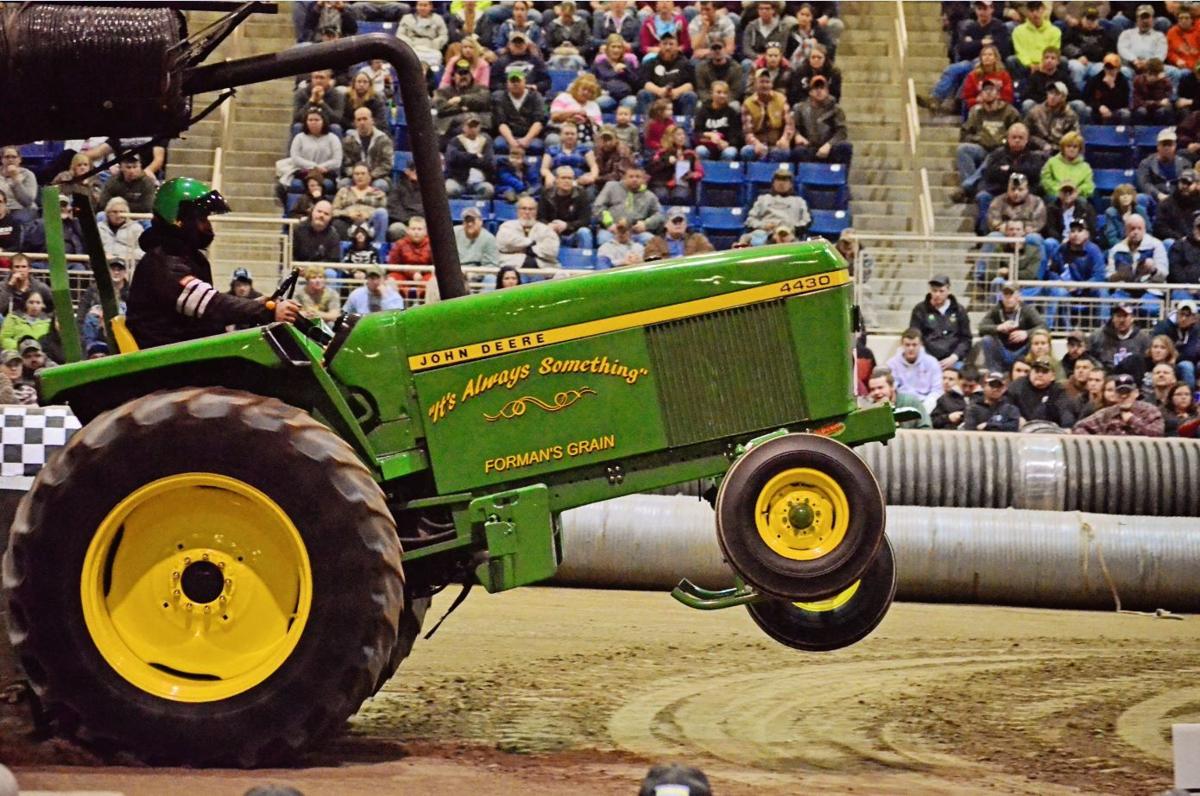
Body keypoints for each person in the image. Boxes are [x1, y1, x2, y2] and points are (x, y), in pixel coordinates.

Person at [126, 178, 298, 348]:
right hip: (168, 362)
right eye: (202, 218)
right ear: (180, 219)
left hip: (184, 352)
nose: (208, 226)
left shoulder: (183, 257)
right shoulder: (163, 264)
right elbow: (210, 304)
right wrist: (265, 311)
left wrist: (258, 304)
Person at [953, 81, 1021, 202]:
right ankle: (972, 189)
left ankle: (967, 187)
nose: (988, 93)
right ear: (981, 94)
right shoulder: (976, 111)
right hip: (982, 148)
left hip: (1002, 151)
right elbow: (965, 133)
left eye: (992, 90)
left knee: (994, 155)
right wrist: (978, 138)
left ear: (998, 94)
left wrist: (1005, 142)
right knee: (962, 149)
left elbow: (1018, 132)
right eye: (985, 90)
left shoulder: (1010, 111)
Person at [1107, 214, 1167, 316]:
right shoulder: (1117, 249)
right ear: (1126, 231)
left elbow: (1164, 274)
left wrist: (1153, 270)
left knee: (1148, 309)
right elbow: (1109, 277)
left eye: (1139, 228)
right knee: (1118, 306)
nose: (1135, 232)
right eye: (1132, 229)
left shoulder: (1156, 245)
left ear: (1144, 229)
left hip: (1150, 289)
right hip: (1124, 290)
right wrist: (1118, 275)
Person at [908, 275, 972, 369]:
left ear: (948, 291)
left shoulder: (959, 310)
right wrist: (926, 358)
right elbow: (914, 336)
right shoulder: (920, 309)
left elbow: (966, 339)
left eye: (941, 291)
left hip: (953, 360)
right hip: (927, 359)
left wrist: (954, 357)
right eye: (934, 290)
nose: (937, 294)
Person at [979, 282, 1047, 369]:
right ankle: (994, 372)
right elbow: (981, 327)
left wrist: (1026, 333)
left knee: (1035, 339)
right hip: (1002, 349)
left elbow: (1044, 326)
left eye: (1011, 294)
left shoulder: (1027, 310)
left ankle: (1031, 369)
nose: (1008, 298)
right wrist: (998, 327)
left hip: (1022, 351)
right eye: (1005, 295)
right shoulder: (996, 310)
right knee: (987, 339)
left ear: (1018, 295)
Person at [1072, 372, 1165, 435]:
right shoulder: (1107, 413)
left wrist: (1132, 420)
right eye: (1120, 392)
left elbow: (1157, 433)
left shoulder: (1149, 410)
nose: (1124, 396)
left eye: (1127, 392)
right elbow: (1079, 427)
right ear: (1115, 395)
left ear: (1136, 393)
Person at [593, 167, 663, 245]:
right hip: (612, 230)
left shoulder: (649, 196)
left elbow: (659, 214)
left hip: (635, 233)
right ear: (624, 178)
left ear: (643, 179)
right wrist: (609, 223)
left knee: (651, 240)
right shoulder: (611, 187)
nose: (634, 179)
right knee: (603, 239)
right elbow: (598, 206)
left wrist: (646, 224)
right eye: (631, 176)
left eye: (638, 177)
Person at [792, 75, 851, 164]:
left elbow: (842, 132)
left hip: (829, 148)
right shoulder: (800, 108)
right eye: (816, 88)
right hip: (809, 147)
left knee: (845, 147)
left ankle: (839, 176)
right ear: (810, 92)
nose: (819, 91)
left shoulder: (836, 109)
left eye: (822, 88)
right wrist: (797, 135)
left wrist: (829, 145)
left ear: (827, 91)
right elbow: (792, 126)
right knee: (798, 151)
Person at [740, 68, 795, 162]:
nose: (765, 85)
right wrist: (756, 143)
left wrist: (785, 139)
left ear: (772, 84)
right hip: (758, 142)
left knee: (783, 152)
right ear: (755, 85)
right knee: (746, 151)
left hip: (777, 142)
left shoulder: (781, 99)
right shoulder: (747, 103)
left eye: (767, 82)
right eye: (761, 82)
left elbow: (789, 124)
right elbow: (747, 132)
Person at [744, 168, 810, 245]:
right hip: (765, 234)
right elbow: (750, 220)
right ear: (773, 183)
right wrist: (763, 226)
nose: (781, 183)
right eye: (778, 180)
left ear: (791, 184)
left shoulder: (799, 201)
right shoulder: (762, 199)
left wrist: (791, 228)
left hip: (789, 235)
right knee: (746, 238)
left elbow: (806, 221)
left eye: (785, 180)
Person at [636, 32, 696, 117]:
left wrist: (676, 92)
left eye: (671, 44)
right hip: (656, 98)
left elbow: (691, 84)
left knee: (690, 95)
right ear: (660, 46)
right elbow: (644, 82)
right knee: (643, 93)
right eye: (664, 44)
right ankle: (647, 126)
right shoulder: (650, 63)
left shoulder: (686, 64)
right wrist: (659, 91)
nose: (668, 47)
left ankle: (686, 128)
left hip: (677, 98)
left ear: (677, 46)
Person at [434, 59, 494, 142]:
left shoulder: (481, 89)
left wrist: (461, 100)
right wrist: (463, 108)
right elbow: (441, 108)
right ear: (453, 76)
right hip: (451, 131)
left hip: (478, 130)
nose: (463, 76)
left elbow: (484, 101)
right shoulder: (442, 92)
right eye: (460, 73)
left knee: (487, 139)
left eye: (466, 73)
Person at [1007, 356, 1076, 427]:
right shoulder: (1017, 386)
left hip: (1048, 431)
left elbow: (1066, 413)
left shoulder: (1058, 391)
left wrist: (1067, 427)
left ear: (1053, 376)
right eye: (1036, 371)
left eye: (1044, 372)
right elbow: (1006, 406)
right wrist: (1017, 417)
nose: (1039, 374)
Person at [1088, 302, 1152, 378]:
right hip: (1106, 379)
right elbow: (1090, 358)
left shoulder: (1143, 338)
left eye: (1125, 316)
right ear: (1112, 318)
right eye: (1118, 316)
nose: (1122, 320)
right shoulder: (1098, 336)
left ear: (1132, 318)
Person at [492, 71, 548, 156]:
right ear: (507, 83)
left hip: (530, 136)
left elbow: (539, 122)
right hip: (508, 136)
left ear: (525, 82)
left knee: (537, 146)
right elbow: (501, 123)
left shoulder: (536, 96)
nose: (515, 84)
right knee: (499, 145)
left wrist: (527, 139)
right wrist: (511, 141)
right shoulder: (500, 98)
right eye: (512, 81)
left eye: (518, 81)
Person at [287, 109, 342, 193]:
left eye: (317, 120)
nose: (313, 122)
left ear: (323, 121)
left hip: (326, 174)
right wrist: (314, 166)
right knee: (296, 184)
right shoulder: (299, 137)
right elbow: (295, 158)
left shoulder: (332, 138)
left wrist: (322, 167)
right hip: (304, 173)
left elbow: (337, 161)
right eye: (310, 120)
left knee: (327, 184)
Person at [497, 196, 560, 269]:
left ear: (536, 211)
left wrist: (527, 249)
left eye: (531, 209)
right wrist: (532, 243)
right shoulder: (507, 226)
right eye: (524, 208)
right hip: (512, 267)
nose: (527, 212)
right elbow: (505, 243)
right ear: (517, 211)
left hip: (543, 267)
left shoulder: (546, 229)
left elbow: (552, 251)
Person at [538, 166, 594, 249]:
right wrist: (549, 225)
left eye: (570, 178)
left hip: (573, 233)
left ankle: (585, 260)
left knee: (584, 232)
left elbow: (585, 220)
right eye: (563, 178)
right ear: (556, 180)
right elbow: (540, 218)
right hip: (552, 233)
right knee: (540, 230)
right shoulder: (546, 193)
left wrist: (567, 225)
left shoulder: (582, 194)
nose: (567, 181)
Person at [342, 106, 394, 192]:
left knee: (380, 185)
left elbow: (387, 164)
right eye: (359, 120)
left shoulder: (383, 140)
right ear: (355, 123)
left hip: (377, 177)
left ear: (372, 120)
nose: (362, 122)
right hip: (355, 177)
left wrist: (370, 175)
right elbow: (346, 164)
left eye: (365, 119)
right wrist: (357, 175)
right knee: (343, 184)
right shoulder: (348, 140)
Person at [331, 163, 388, 240]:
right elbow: (333, 211)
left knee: (382, 212)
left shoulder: (378, 193)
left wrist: (368, 215)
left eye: (363, 174)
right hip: (348, 224)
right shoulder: (344, 191)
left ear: (369, 176)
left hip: (370, 225)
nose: (359, 176)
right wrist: (348, 214)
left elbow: (384, 213)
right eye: (356, 174)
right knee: (337, 223)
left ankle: (378, 245)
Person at [885, 328, 944, 403]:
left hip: (926, 401)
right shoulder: (892, 364)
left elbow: (937, 390)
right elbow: (891, 389)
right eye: (907, 345)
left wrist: (928, 404)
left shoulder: (932, 362)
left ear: (920, 345)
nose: (911, 348)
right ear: (902, 345)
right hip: (902, 402)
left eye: (914, 345)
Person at [445, 115, 496, 200]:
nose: (473, 129)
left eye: (475, 126)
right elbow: (452, 158)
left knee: (489, 190)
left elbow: (489, 162)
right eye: (470, 126)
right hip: (459, 181)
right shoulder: (456, 141)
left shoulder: (486, 141)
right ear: (464, 127)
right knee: (449, 189)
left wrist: (465, 160)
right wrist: (474, 156)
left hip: (480, 182)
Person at [648, 125, 702, 204]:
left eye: (683, 134)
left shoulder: (690, 154)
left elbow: (700, 173)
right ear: (671, 137)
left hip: (681, 183)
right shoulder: (661, 153)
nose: (682, 137)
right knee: (662, 195)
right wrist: (667, 162)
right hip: (661, 183)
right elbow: (651, 169)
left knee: (679, 196)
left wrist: (692, 175)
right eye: (678, 134)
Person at [1137, 127, 1190, 207]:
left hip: (1178, 198)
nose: (1167, 147)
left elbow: (1187, 184)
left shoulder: (1185, 164)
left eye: (1169, 144)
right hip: (1155, 198)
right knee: (1141, 198)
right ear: (1158, 146)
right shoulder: (1146, 163)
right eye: (1164, 144)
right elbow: (1144, 183)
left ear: (1175, 146)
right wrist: (1158, 194)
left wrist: (1174, 197)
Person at [1008, 1, 1061, 81]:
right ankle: (1018, 89)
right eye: (1032, 11)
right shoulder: (1018, 30)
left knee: (1063, 61)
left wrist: (1041, 64)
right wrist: (1030, 64)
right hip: (1026, 65)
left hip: (1046, 63)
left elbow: (1053, 51)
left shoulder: (1055, 31)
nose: (1035, 14)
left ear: (1044, 10)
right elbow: (1020, 51)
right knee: (1011, 60)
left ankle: (1056, 86)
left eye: (1038, 10)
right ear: (1027, 12)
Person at [864, 367, 931, 429]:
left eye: (880, 388)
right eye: (872, 389)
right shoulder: (870, 408)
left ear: (892, 387)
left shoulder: (911, 401)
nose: (876, 392)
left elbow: (926, 427)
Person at [1153, 299, 1199, 388]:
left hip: (1186, 361)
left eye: (1187, 315)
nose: (1183, 318)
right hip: (1165, 361)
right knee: (1186, 366)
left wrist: (1176, 355)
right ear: (1176, 313)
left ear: (1194, 317)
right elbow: (1157, 347)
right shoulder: (1164, 327)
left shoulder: (1196, 329)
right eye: (1181, 314)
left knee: (1188, 365)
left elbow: (1192, 352)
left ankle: (1192, 396)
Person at [1024, 81, 1080, 154]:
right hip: (1037, 151)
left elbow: (1074, 138)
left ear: (1063, 97)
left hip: (1060, 153)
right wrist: (1042, 144)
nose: (1052, 97)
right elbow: (1025, 133)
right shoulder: (1035, 112)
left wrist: (1056, 148)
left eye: (1057, 94)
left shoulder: (1070, 115)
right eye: (1050, 93)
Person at [490, 30, 551, 96]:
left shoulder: (536, 61)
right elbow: (493, 82)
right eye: (515, 42)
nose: (518, 44)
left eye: (521, 42)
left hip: (530, 94)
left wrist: (536, 86)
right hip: (506, 95)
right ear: (509, 45)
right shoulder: (500, 62)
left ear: (526, 45)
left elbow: (547, 82)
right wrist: (508, 87)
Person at [693, 80, 743, 160]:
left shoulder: (731, 112)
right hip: (707, 145)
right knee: (700, 150)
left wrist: (728, 143)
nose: (722, 95)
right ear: (711, 93)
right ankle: (702, 172)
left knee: (730, 152)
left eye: (725, 93)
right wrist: (709, 134)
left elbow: (736, 134)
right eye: (719, 92)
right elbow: (696, 133)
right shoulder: (703, 111)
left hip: (724, 146)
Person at [592, 33, 641, 112]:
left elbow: (637, 83)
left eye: (619, 47)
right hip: (607, 96)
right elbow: (594, 81)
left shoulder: (629, 63)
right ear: (607, 48)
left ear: (623, 49)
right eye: (613, 47)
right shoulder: (599, 63)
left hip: (626, 97)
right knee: (599, 102)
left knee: (633, 101)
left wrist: (626, 72)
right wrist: (609, 83)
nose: (616, 50)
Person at [642, 208, 714, 261]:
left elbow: (709, 254)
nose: (678, 224)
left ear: (686, 224)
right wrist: (672, 262)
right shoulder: (654, 242)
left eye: (681, 221)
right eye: (675, 221)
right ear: (666, 224)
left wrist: (686, 260)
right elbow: (651, 260)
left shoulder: (698, 238)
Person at [1081, 52, 1133, 125]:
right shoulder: (1095, 79)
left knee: (1125, 113)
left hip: (1115, 110)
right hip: (1098, 111)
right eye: (1107, 68)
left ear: (1118, 69)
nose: (1109, 71)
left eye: (1112, 68)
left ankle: (1121, 133)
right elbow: (1087, 98)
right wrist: (1099, 107)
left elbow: (1124, 103)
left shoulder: (1123, 81)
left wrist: (1112, 87)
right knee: (1087, 110)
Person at [1041, 131, 1094, 201]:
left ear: (1079, 149)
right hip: (1056, 196)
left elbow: (1089, 186)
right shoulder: (1052, 162)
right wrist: (1059, 191)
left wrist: (1077, 192)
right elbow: (1045, 180)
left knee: (1082, 201)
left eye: (1075, 147)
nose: (1071, 149)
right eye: (1068, 146)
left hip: (1076, 198)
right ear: (1063, 148)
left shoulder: (1086, 167)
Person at [396, 0, 448, 70]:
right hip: (413, 47)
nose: (422, 8)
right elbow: (399, 34)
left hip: (431, 48)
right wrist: (409, 44)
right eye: (420, 5)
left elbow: (444, 35)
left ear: (431, 7)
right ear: (416, 6)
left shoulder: (437, 18)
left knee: (438, 56)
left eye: (425, 5)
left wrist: (436, 43)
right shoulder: (407, 18)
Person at [695, 36, 744, 109]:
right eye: (714, 49)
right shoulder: (701, 68)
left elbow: (735, 91)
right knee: (699, 105)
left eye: (719, 48)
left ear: (724, 49)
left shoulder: (736, 68)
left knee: (735, 106)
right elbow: (702, 90)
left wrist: (722, 100)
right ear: (710, 51)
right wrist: (714, 101)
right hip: (709, 101)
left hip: (728, 100)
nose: (717, 51)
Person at [1153, 168, 1200, 241]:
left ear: (1197, 185)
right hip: (1177, 243)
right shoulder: (1167, 204)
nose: (1184, 186)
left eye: (1189, 183)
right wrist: (1179, 238)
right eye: (1182, 182)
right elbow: (1160, 228)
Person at [1101, 183, 1151, 249]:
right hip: (1120, 247)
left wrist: (1139, 246)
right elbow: (1112, 238)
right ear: (1117, 198)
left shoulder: (1140, 211)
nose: (1125, 197)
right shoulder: (1111, 213)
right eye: (1122, 195)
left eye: (1128, 194)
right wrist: (1127, 247)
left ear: (1132, 196)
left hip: (1141, 246)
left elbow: (1148, 231)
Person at [293, 200, 343, 264]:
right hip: (299, 268)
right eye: (319, 211)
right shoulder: (298, 229)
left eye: (326, 214)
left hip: (322, 271)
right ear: (312, 212)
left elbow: (334, 261)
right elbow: (291, 255)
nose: (322, 215)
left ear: (331, 218)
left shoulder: (334, 235)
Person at [96, 196, 144, 265]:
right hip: (103, 264)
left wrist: (124, 257)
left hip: (128, 266)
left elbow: (142, 251)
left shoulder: (136, 228)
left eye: (122, 212)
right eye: (114, 212)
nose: (118, 215)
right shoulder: (99, 227)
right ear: (107, 213)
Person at [455, 207, 500, 272]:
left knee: (490, 278)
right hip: (455, 271)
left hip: (478, 272)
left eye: (472, 221)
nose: (470, 224)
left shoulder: (489, 238)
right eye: (467, 221)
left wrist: (475, 274)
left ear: (480, 222)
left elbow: (492, 265)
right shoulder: (454, 233)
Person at [0, 147, 38, 224]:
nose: (10, 160)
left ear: (19, 159)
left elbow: (27, 201)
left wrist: (15, 180)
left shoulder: (28, 175)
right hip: (1, 208)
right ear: (2, 159)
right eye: (7, 157)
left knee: (17, 220)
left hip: (22, 208)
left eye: (14, 157)